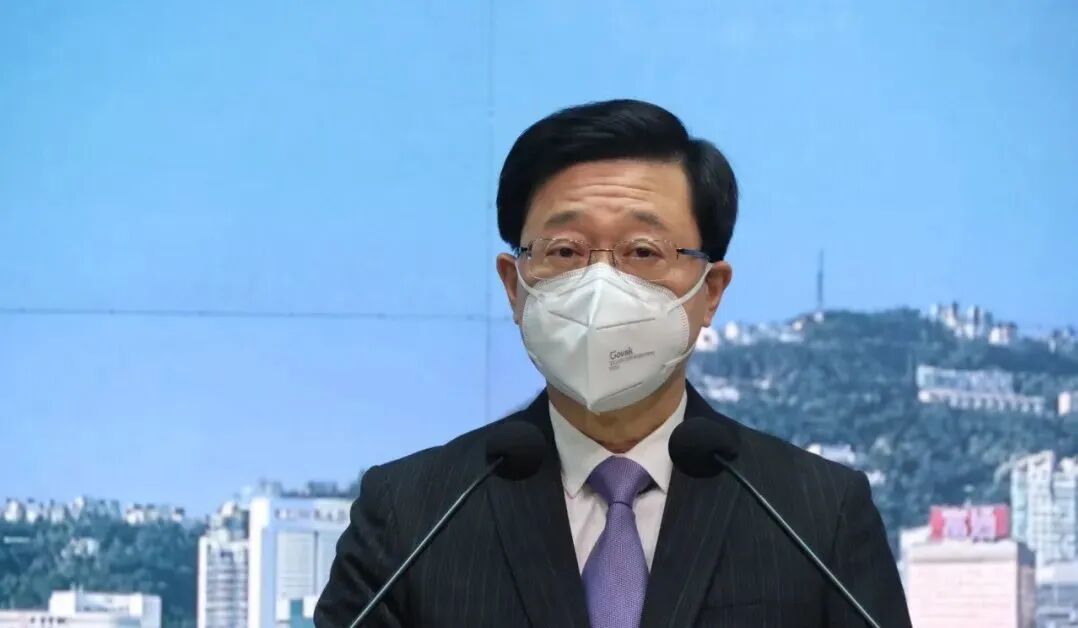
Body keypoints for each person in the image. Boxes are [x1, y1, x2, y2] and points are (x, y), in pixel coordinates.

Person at [315, 99, 911, 627]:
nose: (600, 284)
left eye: (643, 251)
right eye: (565, 251)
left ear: (710, 292)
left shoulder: (814, 514)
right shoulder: (413, 515)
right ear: (514, 286)